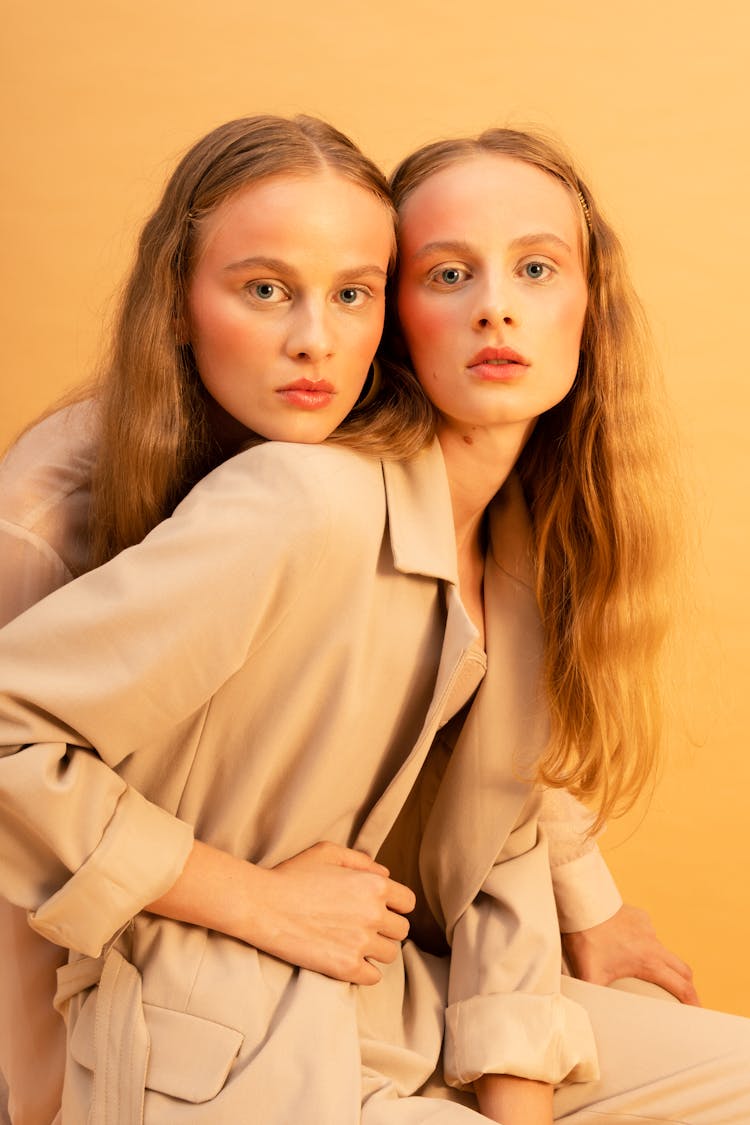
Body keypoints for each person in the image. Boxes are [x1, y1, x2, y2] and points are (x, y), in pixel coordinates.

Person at [0, 122, 729, 1124]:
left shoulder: (516, 551)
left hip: (388, 1002)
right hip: (206, 1023)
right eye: (447, 275)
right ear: (404, 321)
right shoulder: (291, 497)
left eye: (535, 268)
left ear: (592, 306)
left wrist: (520, 1078)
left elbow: (501, 833)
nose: (497, 311)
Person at [0, 111, 432, 1124]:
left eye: (353, 294)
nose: (314, 340)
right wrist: (260, 901)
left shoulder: (342, 469)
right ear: (180, 302)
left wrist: (588, 901)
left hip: (272, 1005)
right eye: (266, 290)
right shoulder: (41, 521)